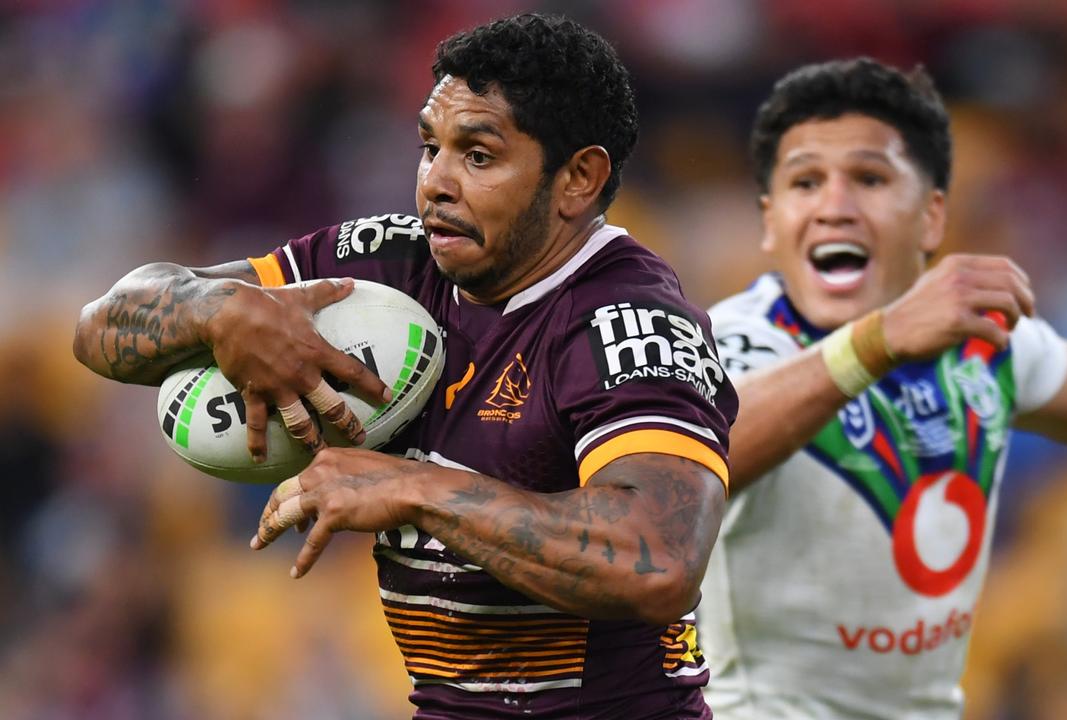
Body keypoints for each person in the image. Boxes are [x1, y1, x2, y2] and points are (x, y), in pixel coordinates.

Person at [73, 13, 736, 720]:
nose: (435, 184)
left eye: (478, 156)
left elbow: (660, 560)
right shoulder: (393, 264)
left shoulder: (626, 323)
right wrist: (219, 310)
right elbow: (101, 326)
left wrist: (417, 489)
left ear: (579, 178)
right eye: (430, 148)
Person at [696, 57, 1067, 719]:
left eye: (868, 178)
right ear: (771, 221)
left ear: (932, 218)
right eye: (806, 182)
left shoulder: (971, 346)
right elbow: (690, 462)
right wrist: (876, 342)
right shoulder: (735, 342)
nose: (834, 207)